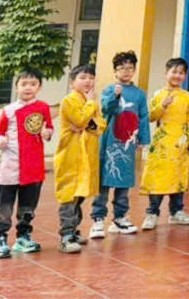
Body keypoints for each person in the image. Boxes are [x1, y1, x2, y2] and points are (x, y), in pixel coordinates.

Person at [0, 68, 54, 258]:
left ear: (39, 87)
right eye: (24, 84)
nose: (28, 88)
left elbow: (49, 127)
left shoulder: (43, 108)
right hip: (10, 164)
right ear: (16, 87)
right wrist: (0, 140)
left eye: (33, 84)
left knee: (28, 205)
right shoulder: (9, 110)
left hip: (33, 166)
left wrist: (47, 133)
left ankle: (23, 236)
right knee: (4, 206)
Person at [91, 50, 149, 239]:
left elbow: (143, 117)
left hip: (128, 144)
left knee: (124, 179)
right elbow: (106, 108)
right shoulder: (109, 90)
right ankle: (98, 219)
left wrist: (143, 139)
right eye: (122, 68)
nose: (126, 71)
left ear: (134, 70)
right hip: (109, 142)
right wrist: (115, 96)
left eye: (130, 68)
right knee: (104, 180)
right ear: (115, 71)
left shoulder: (139, 94)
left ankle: (120, 218)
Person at [141, 57, 189, 228]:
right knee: (158, 176)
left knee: (178, 175)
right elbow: (151, 116)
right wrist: (163, 106)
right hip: (162, 143)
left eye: (181, 73)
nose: (177, 75)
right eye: (174, 72)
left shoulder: (187, 96)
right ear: (166, 73)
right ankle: (152, 213)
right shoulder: (158, 94)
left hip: (180, 142)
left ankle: (176, 211)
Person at [55, 64, 104, 253]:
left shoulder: (91, 102)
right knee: (69, 195)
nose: (88, 81)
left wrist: (88, 123)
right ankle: (66, 236)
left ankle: (74, 230)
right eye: (83, 77)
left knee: (80, 195)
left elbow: (101, 125)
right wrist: (88, 114)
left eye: (91, 78)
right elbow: (79, 119)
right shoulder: (69, 101)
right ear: (72, 82)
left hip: (86, 157)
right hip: (71, 156)